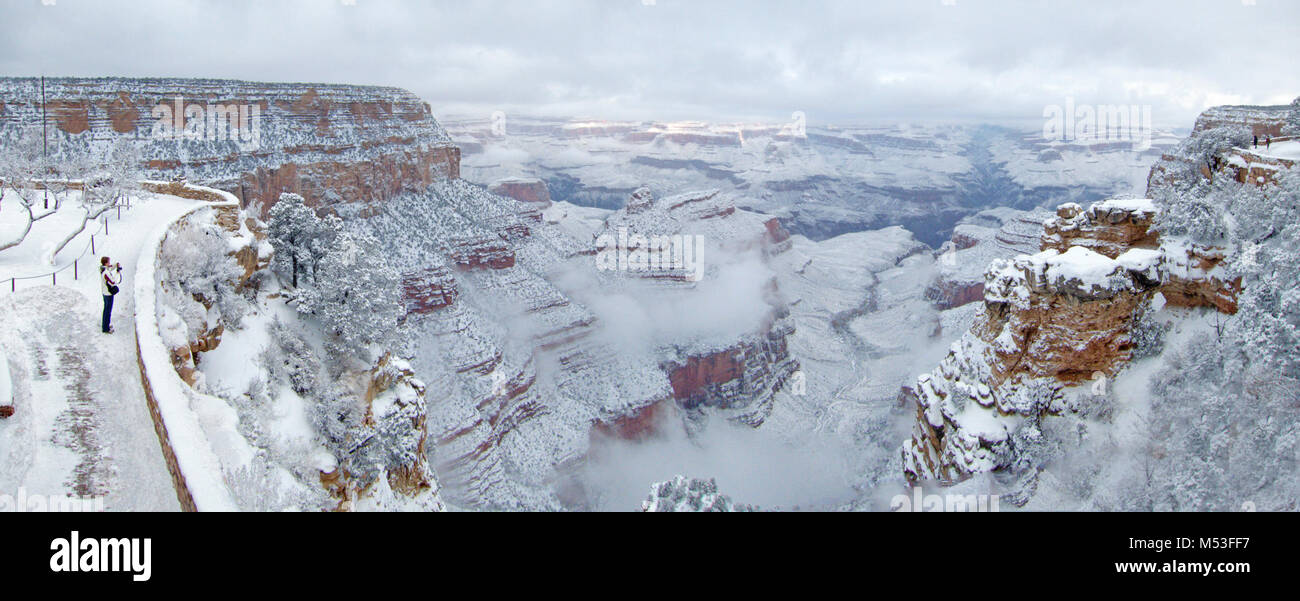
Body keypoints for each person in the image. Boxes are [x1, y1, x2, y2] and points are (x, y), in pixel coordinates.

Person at [100, 257, 122, 334]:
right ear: (106, 263)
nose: (109, 263)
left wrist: (116, 265)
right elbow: (113, 281)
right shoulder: (106, 273)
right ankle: (106, 328)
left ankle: (105, 325)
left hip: (105, 292)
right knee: (107, 310)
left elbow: (110, 267)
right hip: (108, 294)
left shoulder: (103, 269)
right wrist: (117, 272)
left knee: (106, 309)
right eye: (108, 262)